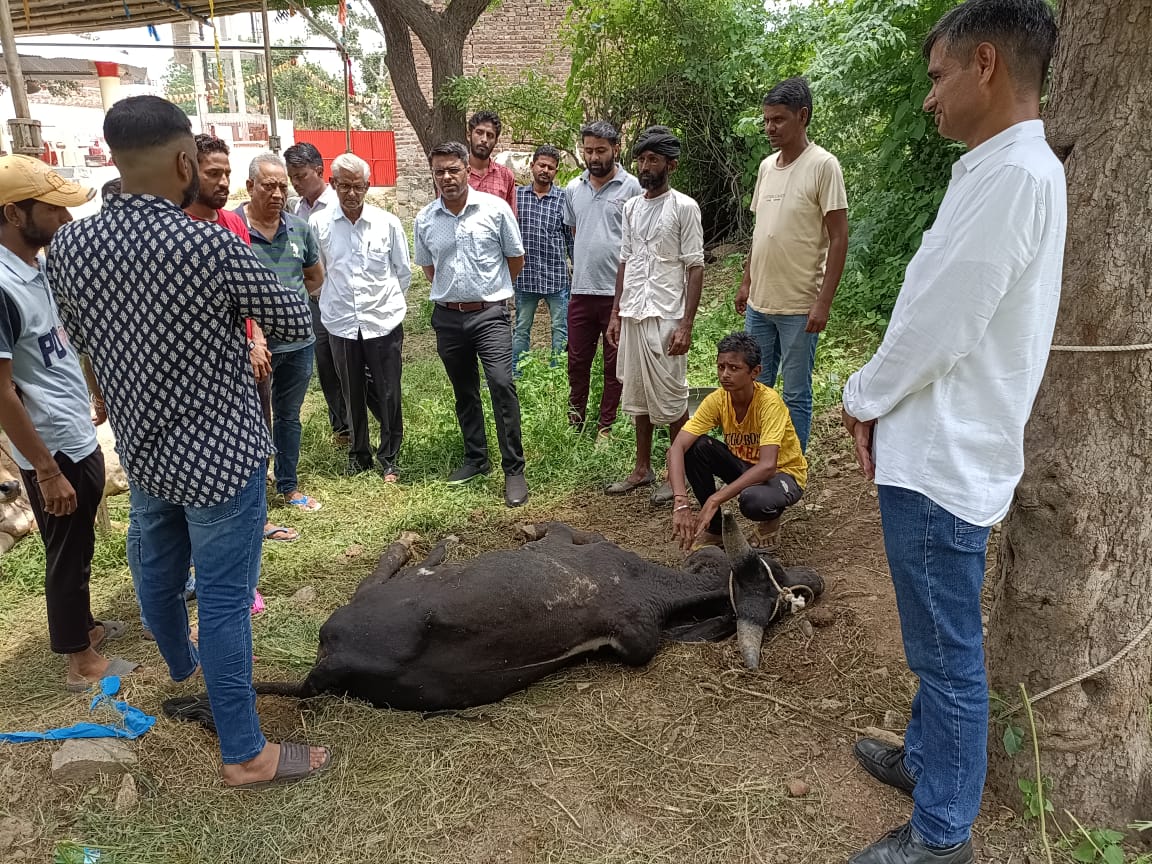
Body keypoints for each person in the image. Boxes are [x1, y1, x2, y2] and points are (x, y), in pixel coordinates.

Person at [46, 95, 330, 788]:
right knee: (228, 604)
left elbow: (81, 339)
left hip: (143, 449)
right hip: (221, 456)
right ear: (181, 162)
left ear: (113, 157)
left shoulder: (71, 247)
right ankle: (246, 754)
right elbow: (293, 318)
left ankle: (183, 669)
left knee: (157, 577)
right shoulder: (207, 243)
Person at [840, 2, 1064, 861]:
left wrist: (861, 396)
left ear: (984, 65)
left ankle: (941, 838)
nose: (930, 99)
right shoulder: (998, 169)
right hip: (936, 445)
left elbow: (941, 323)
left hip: (944, 457)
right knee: (937, 641)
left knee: (947, 655)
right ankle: (931, 762)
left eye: (937, 78)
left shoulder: (1015, 176)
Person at [0, 155, 138, 691]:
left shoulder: (35, 269)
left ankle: (84, 627)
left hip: (72, 429)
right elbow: (3, 388)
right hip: (50, 445)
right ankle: (79, 661)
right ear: (14, 213)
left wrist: (94, 389)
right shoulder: (4, 286)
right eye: (53, 209)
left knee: (78, 543)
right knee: (65, 550)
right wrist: (44, 467)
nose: (66, 221)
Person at [184, 134, 297, 546]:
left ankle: (258, 516)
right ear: (186, 170)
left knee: (257, 433)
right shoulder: (178, 226)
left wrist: (258, 340)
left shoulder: (232, 224)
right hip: (207, 364)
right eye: (213, 173)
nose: (221, 181)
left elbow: (247, 293)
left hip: (249, 352)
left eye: (225, 173)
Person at [735, 77, 848, 453]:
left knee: (796, 391)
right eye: (766, 120)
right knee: (758, 389)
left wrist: (823, 302)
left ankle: (791, 470)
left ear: (803, 117)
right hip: (760, 306)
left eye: (779, 120)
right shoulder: (767, 167)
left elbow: (839, 237)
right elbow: (761, 230)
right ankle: (759, 462)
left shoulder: (823, 166)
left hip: (800, 306)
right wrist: (746, 280)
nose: (770, 128)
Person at [413, 141, 529, 508]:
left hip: (489, 313)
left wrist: (490, 293)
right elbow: (429, 268)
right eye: (439, 171)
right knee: (464, 391)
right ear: (433, 175)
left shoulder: (494, 210)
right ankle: (476, 459)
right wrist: (454, 295)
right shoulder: (425, 219)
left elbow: (515, 258)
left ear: (467, 170)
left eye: (453, 169)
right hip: (448, 317)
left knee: (501, 383)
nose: (446, 177)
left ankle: (514, 469)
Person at [605, 126, 704, 506]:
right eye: (642, 159)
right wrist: (615, 312)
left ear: (671, 165)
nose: (646, 166)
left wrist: (686, 323)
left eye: (653, 160)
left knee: (673, 399)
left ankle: (678, 473)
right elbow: (625, 261)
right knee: (640, 396)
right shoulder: (630, 207)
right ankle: (642, 468)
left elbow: (694, 267)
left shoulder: (684, 207)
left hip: (666, 315)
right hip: (633, 312)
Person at [311, 153, 410, 480]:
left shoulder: (387, 223)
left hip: (382, 320)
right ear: (333, 184)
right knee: (351, 390)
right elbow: (317, 271)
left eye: (358, 186)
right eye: (344, 186)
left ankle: (390, 455)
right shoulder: (319, 224)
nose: (352, 193)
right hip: (341, 322)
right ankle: (359, 453)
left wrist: (385, 305)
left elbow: (403, 272)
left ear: (368, 186)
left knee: (388, 390)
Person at [235, 152, 325, 512]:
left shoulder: (299, 229)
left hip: (299, 342)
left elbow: (315, 275)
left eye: (282, 187)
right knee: (252, 418)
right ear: (250, 186)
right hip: (254, 347)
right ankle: (253, 493)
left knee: (288, 415)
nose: (276, 193)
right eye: (268, 186)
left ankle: (288, 485)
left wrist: (289, 306)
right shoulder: (235, 231)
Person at [667, 333, 806, 552]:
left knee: (754, 501)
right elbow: (676, 448)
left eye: (733, 368)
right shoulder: (718, 400)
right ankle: (714, 530)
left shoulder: (769, 403)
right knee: (695, 448)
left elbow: (768, 466)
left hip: (782, 474)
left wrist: (715, 499)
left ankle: (770, 521)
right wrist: (681, 502)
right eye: (721, 367)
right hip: (745, 468)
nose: (724, 375)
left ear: (755, 372)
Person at [285, 142, 373, 443]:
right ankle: (343, 425)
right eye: (292, 176)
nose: (296, 183)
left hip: (345, 299)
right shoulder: (297, 210)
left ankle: (366, 419)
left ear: (320, 173)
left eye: (301, 175)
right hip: (313, 300)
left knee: (353, 365)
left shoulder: (341, 202)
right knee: (325, 363)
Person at [564, 121, 642, 441]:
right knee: (577, 361)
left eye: (600, 150)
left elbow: (638, 241)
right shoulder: (573, 188)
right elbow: (575, 231)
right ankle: (575, 421)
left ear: (616, 149)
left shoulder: (633, 188)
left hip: (616, 294)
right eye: (588, 150)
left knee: (614, 364)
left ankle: (605, 427)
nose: (594, 157)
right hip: (581, 291)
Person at [513, 144, 572, 373]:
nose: (545, 170)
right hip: (525, 278)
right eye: (541, 165)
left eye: (551, 167)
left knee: (560, 328)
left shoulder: (563, 199)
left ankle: (557, 373)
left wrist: (575, 269)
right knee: (521, 328)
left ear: (556, 171)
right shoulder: (517, 197)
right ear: (532, 166)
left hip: (555, 277)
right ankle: (516, 371)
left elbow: (570, 238)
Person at [466, 110, 517, 216]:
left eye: (490, 135)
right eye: (479, 133)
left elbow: (510, 219)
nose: (484, 139)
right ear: (469, 135)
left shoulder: (506, 176)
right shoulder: (454, 173)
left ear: (496, 141)